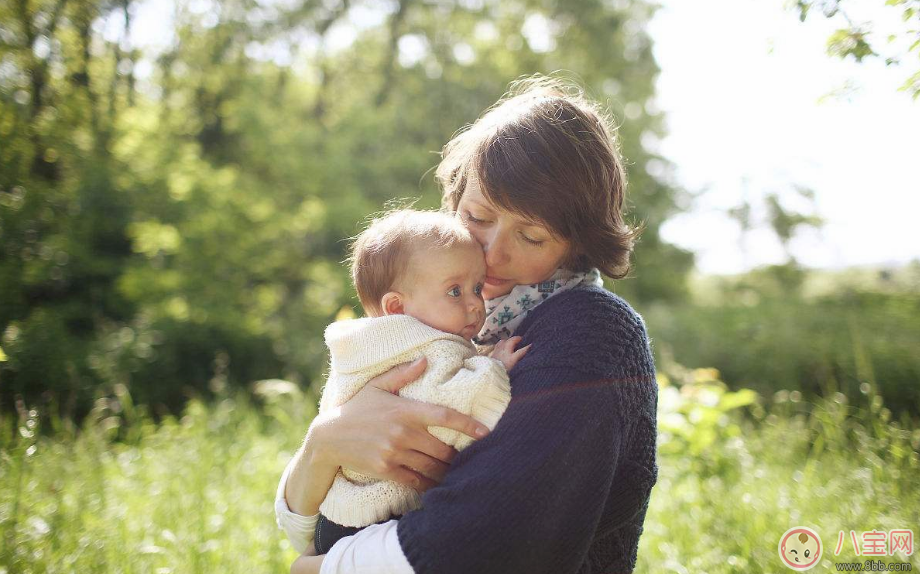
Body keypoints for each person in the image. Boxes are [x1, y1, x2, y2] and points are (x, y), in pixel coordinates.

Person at [275, 75, 658, 574]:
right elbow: (299, 525)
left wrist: (324, 568)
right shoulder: (442, 317)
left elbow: (491, 541)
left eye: (533, 236)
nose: (492, 253)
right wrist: (325, 442)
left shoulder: (591, 332)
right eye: (477, 216)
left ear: (577, 245)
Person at [311, 208, 529, 554]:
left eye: (476, 288)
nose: (475, 305)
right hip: (369, 521)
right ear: (397, 308)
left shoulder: (366, 346)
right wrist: (495, 367)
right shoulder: (427, 346)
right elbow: (453, 406)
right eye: (455, 292)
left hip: (334, 516)